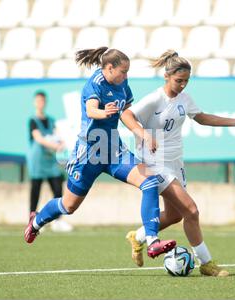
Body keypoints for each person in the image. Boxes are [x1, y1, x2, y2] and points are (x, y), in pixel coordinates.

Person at [24, 47, 176, 258]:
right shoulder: (94, 84)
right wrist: (105, 113)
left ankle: (152, 242)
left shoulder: (122, 83)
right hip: (89, 153)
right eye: (123, 71)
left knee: (150, 181)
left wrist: (141, 133)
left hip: (114, 149)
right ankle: (37, 221)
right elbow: (90, 110)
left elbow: (125, 112)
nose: (126, 76)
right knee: (68, 206)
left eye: (127, 72)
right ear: (110, 68)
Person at [121, 50, 235, 276]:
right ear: (167, 76)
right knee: (191, 210)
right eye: (178, 81)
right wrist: (143, 134)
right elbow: (126, 115)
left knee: (175, 215)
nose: (182, 85)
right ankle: (207, 263)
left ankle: (138, 236)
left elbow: (201, 117)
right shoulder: (155, 99)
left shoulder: (184, 99)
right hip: (155, 163)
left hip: (175, 163)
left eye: (186, 81)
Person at [26, 91, 73, 233]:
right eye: (38, 100)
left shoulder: (51, 120)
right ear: (35, 102)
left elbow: (58, 134)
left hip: (50, 160)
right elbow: (39, 138)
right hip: (38, 160)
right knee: (36, 191)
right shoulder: (33, 120)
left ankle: (57, 220)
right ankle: (32, 222)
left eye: (42, 100)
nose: (40, 103)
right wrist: (55, 146)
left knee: (58, 188)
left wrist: (63, 143)